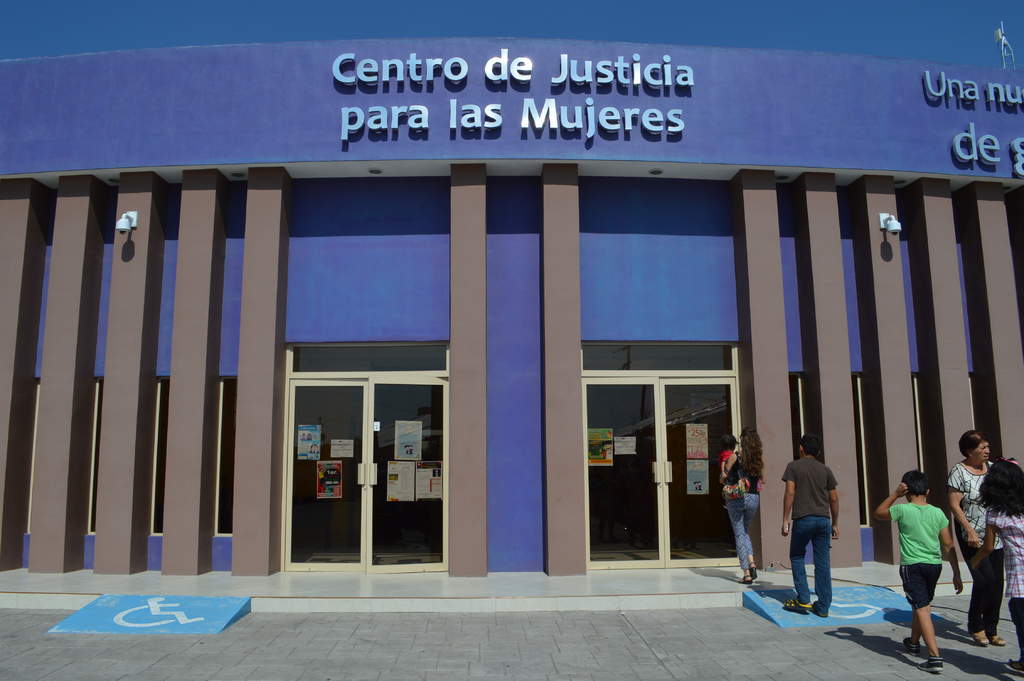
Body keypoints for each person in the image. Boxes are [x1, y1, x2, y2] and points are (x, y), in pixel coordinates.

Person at [874, 471, 963, 675]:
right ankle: (914, 642)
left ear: (905, 491)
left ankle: (934, 657)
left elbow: (878, 513)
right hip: (934, 565)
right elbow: (948, 544)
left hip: (912, 566)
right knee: (921, 604)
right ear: (928, 491)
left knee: (923, 609)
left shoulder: (902, 510)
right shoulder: (938, 513)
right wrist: (956, 573)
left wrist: (894, 495)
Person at [948, 429, 1006, 647]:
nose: (987, 450)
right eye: (982, 447)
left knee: (997, 583)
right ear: (969, 451)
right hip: (971, 536)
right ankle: (975, 625)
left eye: (988, 446)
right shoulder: (958, 472)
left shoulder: (992, 469)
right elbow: (954, 505)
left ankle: (992, 628)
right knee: (984, 580)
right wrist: (969, 530)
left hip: (995, 533)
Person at [971, 459, 1024, 674]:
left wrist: (975, 562)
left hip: (1020, 575)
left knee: (1019, 615)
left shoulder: (994, 513)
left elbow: (988, 547)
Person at [781, 433, 838, 617]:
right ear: (818, 452)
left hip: (803, 519)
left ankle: (803, 599)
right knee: (822, 562)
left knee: (797, 556)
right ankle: (823, 606)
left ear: (801, 448)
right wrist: (835, 523)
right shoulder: (826, 470)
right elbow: (834, 498)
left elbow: (790, 492)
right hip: (823, 520)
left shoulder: (793, 466)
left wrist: (785, 519)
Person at [722, 427, 763, 584]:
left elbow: (724, 475)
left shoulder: (735, 456)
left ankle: (746, 573)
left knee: (739, 534)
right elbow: (762, 481)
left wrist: (724, 470)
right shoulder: (758, 460)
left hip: (737, 497)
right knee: (745, 531)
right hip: (754, 497)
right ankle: (752, 563)